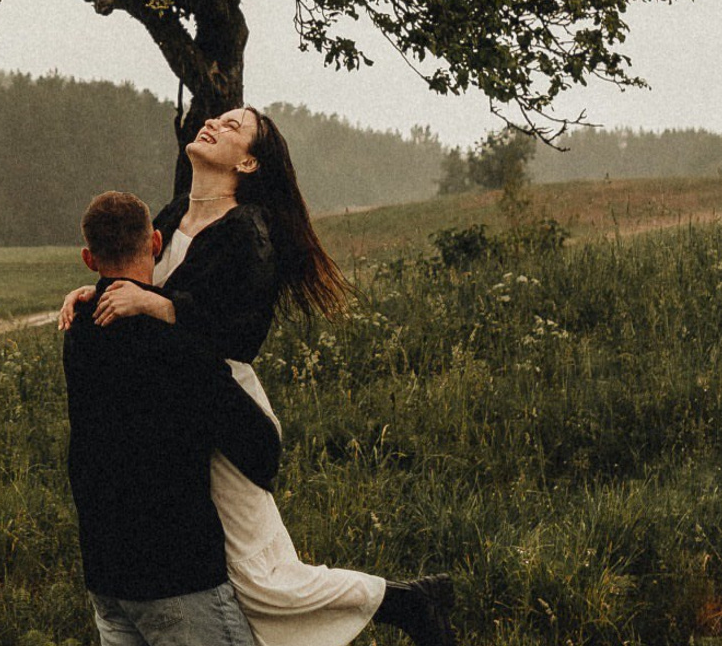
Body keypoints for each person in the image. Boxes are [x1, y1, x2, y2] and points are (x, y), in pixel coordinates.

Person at [60, 108, 456, 646]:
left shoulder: (249, 232)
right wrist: (95, 290)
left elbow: (238, 334)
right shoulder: (175, 215)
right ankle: (404, 601)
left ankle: (408, 601)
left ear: (248, 161)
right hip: (178, 400)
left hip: (224, 406)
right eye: (218, 118)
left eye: (234, 128)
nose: (216, 124)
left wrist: (154, 304)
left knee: (259, 577)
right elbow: (131, 272)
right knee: (235, 572)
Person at [64, 189, 283, 646]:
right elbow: (261, 448)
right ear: (157, 243)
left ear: (88, 258)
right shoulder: (176, 346)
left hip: (106, 570)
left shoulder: (78, 328)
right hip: (176, 573)